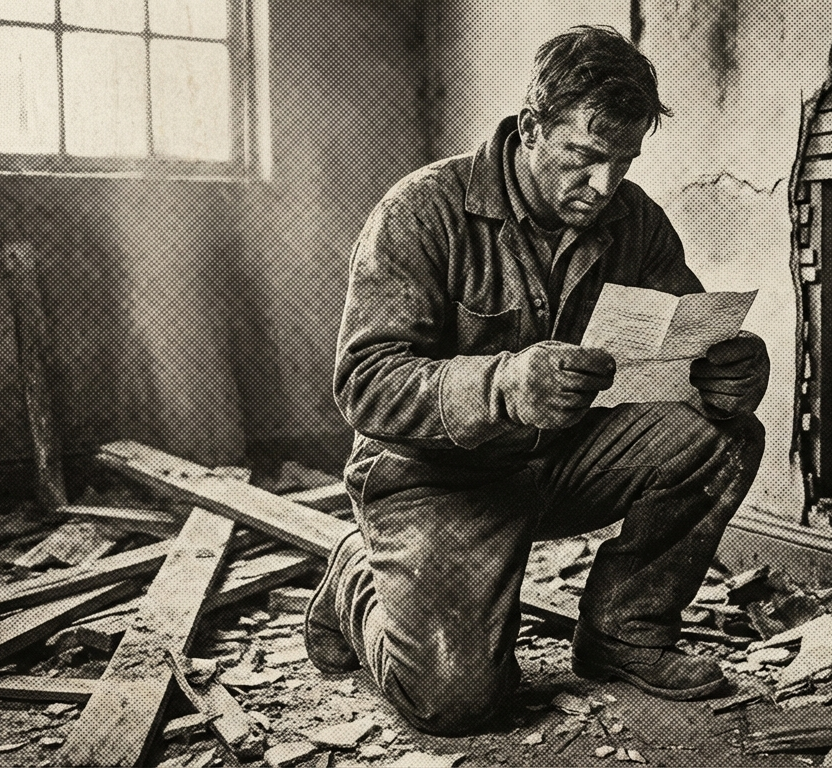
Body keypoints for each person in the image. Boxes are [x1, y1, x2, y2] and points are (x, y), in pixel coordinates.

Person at [305, 25, 770, 736]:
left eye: (624, 160)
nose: (605, 185)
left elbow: (688, 344)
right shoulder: (422, 210)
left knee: (724, 437)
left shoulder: (634, 220)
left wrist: (730, 373)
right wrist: (503, 386)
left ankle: (625, 630)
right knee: (456, 703)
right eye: (584, 157)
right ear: (531, 128)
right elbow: (364, 384)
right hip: (437, 480)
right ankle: (357, 583)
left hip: (559, 462)